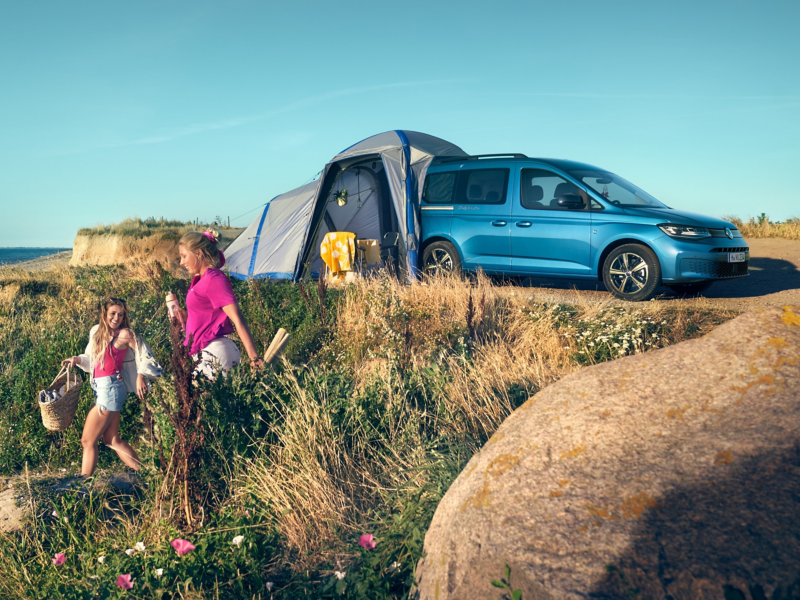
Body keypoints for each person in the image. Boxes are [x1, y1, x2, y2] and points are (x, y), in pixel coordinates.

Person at [62, 297, 163, 476]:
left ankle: (84, 484)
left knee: (87, 440)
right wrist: (76, 359)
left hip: (111, 389)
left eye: (121, 314)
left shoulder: (125, 334)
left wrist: (141, 375)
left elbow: (145, 354)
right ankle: (148, 474)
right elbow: (91, 359)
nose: (116, 318)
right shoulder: (96, 332)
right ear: (104, 314)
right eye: (113, 314)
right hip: (102, 388)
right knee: (111, 439)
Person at [177, 229, 263, 378]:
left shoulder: (214, 279)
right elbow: (206, 315)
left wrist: (254, 358)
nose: (181, 262)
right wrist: (186, 316)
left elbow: (238, 318)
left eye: (184, 256)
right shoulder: (201, 280)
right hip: (205, 353)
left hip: (215, 352)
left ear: (198, 253)